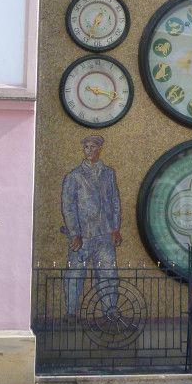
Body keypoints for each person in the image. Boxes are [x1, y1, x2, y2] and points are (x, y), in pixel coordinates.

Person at [61, 135, 122, 318]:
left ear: (99, 149)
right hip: (83, 237)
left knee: (108, 275)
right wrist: (74, 234)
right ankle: (71, 313)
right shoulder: (74, 176)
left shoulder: (108, 174)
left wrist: (116, 228)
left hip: (104, 235)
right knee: (75, 276)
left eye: (92, 146)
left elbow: (115, 201)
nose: (88, 150)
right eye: (86, 146)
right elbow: (68, 207)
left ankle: (110, 312)